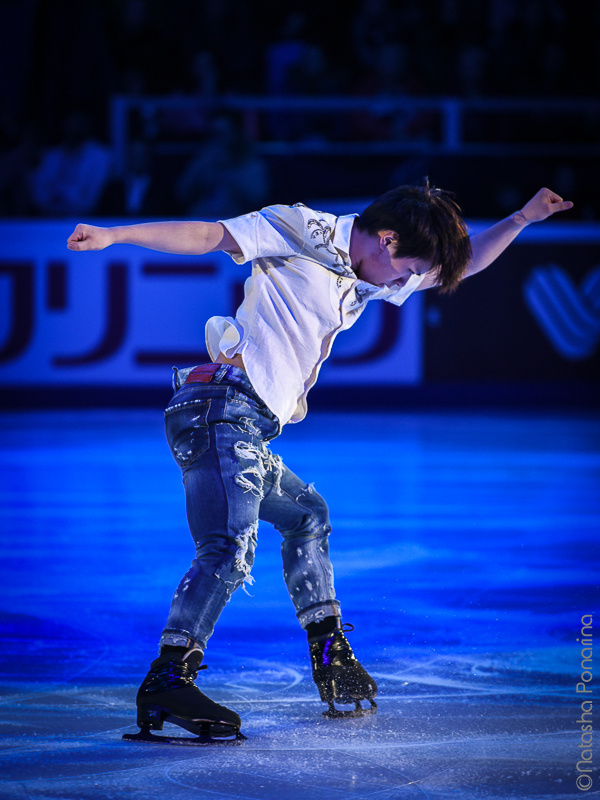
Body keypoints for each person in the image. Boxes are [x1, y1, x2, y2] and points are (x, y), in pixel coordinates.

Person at [67, 183, 573, 743]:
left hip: (246, 425)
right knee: (228, 550)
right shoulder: (300, 230)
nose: (407, 282)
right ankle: (167, 679)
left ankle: (330, 653)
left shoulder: (367, 273)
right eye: (407, 268)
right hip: (218, 409)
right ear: (385, 240)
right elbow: (213, 235)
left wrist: (523, 217)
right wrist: (115, 235)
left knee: (307, 514)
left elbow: (464, 262)